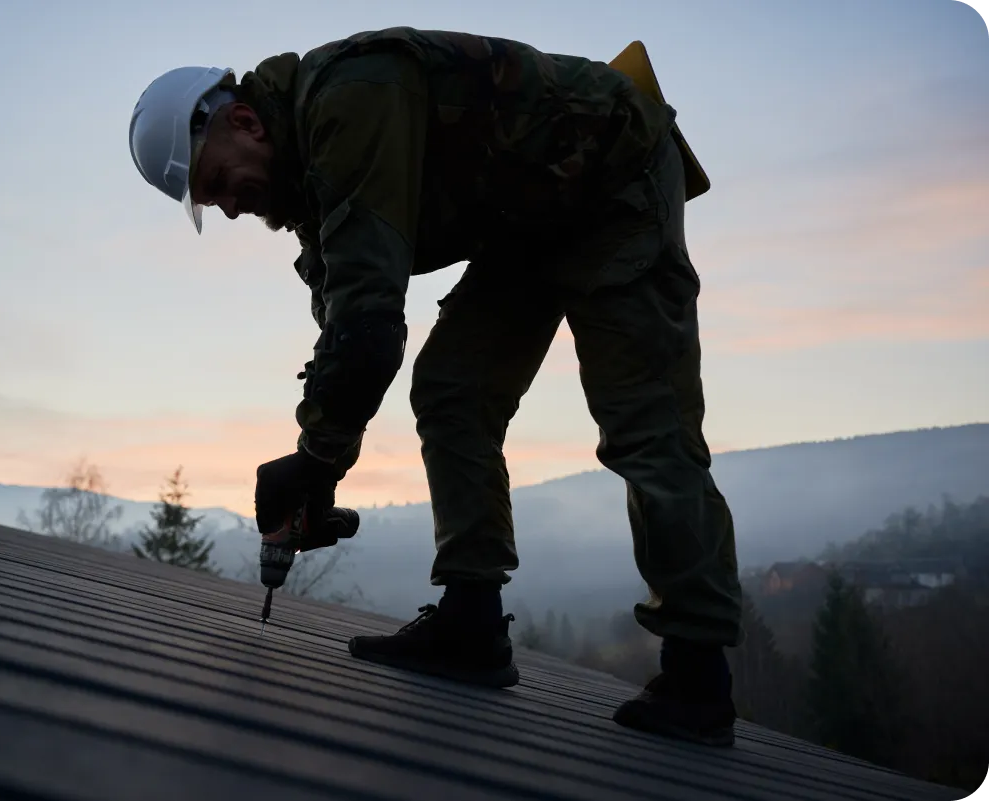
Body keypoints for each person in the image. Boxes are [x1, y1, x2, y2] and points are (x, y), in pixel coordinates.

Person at [128, 27, 744, 747]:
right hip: (532, 217)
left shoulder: (351, 99)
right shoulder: (310, 181)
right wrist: (318, 469)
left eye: (216, 183)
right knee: (452, 387)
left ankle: (698, 671)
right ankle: (472, 621)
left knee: (644, 420)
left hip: (615, 172)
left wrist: (318, 460)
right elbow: (341, 323)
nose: (230, 207)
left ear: (243, 120)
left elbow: (368, 323)